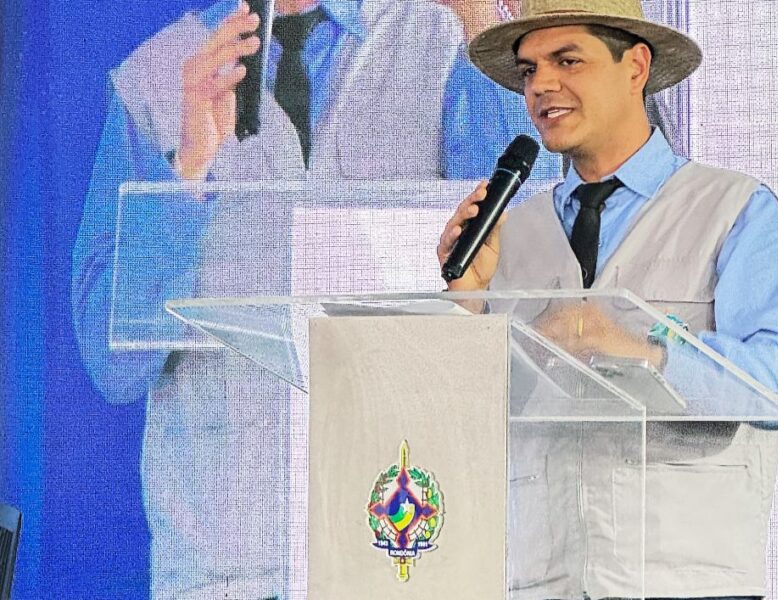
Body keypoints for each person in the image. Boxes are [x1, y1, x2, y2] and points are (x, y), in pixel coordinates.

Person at [72, 0, 560, 598]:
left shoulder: (447, 41)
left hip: (396, 546)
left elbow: (534, 286)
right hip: (227, 566)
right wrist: (187, 166)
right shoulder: (158, 77)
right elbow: (112, 363)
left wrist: (486, 41)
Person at [437, 1, 778, 598]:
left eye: (567, 61)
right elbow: (463, 422)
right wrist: (467, 303)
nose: (541, 85)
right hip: (544, 580)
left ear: (636, 66)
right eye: (530, 69)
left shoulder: (734, 209)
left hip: (686, 580)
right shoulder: (508, 231)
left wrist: (638, 348)